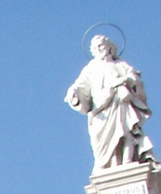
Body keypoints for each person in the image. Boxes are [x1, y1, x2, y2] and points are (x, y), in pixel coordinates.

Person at [65, 36, 154, 171]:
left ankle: (127, 161)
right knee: (104, 140)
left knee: (126, 131)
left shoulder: (121, 65)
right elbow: (81, 86)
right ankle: (112, 163)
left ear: (109, 47)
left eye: (101, 45)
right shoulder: (91, 69)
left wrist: (124, 80)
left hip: (121, 103)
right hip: (101, 110)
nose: (98, 49)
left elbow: (134, 78)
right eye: (95, 48)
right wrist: (74, 93)